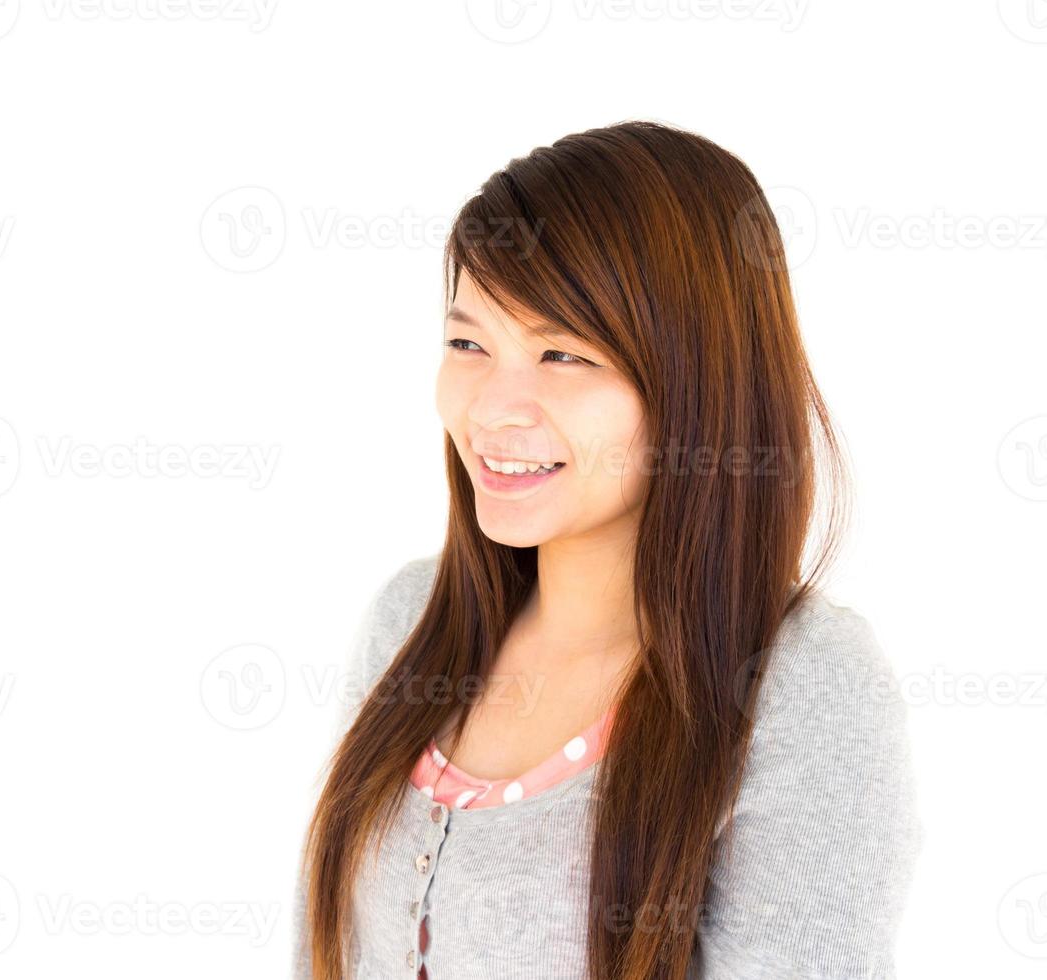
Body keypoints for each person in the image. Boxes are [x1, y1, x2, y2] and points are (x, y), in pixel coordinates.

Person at [292, 120, 924, 980]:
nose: (493, 410)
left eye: (562, 353)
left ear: (696, 383)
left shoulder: (803, 682)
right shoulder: (413, 616)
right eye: (469, 343)